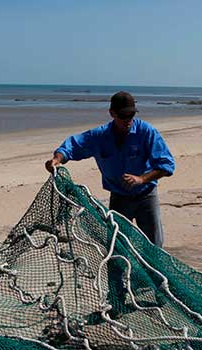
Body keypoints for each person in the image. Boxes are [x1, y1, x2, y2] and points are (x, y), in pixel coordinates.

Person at [45, 91, 175, 247]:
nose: (128, 121)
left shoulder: (146, 132)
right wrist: (57, 159)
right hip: (119, 198)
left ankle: (152, 272)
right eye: (123, 116)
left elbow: (167, 165)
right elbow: (72, 146)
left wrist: (142, 179)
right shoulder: (100, 136)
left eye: (131, 115)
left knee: (154, 246)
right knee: (117, 246)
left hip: (146, 197)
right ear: (112, 113)